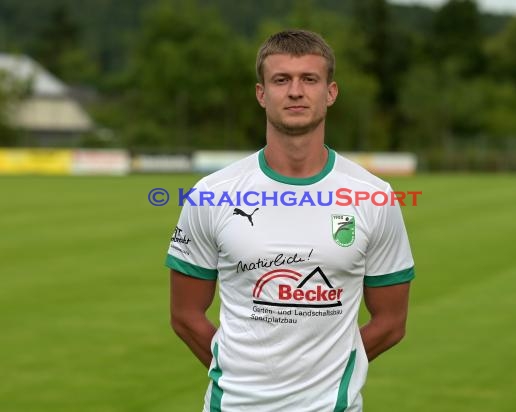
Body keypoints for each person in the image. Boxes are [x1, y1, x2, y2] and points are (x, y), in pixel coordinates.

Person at [166, 29, 415, 412]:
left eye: (309, 79)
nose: (295, 91)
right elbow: (184, 315)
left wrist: (326, 375)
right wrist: (238, 374)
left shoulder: (374, 196)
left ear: (330, 93)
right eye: (281, 80)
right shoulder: (212, 193)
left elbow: (391, 322)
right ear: (261, 94)